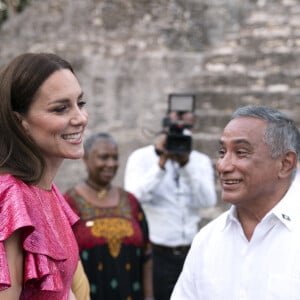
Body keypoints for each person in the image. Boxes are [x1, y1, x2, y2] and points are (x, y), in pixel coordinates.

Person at [171, 105, 300, 299]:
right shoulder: (207, 240)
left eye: (241, 152)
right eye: (222, 152)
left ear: (285, 164)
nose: (223, 166)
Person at [0, 52, 88, 299]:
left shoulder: (48, 191)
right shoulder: (10, 197)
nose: (80, 118)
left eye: (80, 103)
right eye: (61, 109)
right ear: (20, 122)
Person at [124, 110, 217, 300]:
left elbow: (208, 201)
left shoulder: (200, 161)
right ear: (166, 119)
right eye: (176, 114)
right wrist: (160, 164)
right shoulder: (141, 158)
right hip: (157, 254)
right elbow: (132, 199)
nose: (181, 117)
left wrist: (186, 166)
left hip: (191, 252)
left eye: (187, 114)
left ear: (194, 122)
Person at [64, 132, 154, 300]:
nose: (111, 164)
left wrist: (149, 297)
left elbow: (147, 256)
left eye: (115, 157)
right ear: (86, 158)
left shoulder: (131, 202)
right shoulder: (69, 204)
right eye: (103, 157)